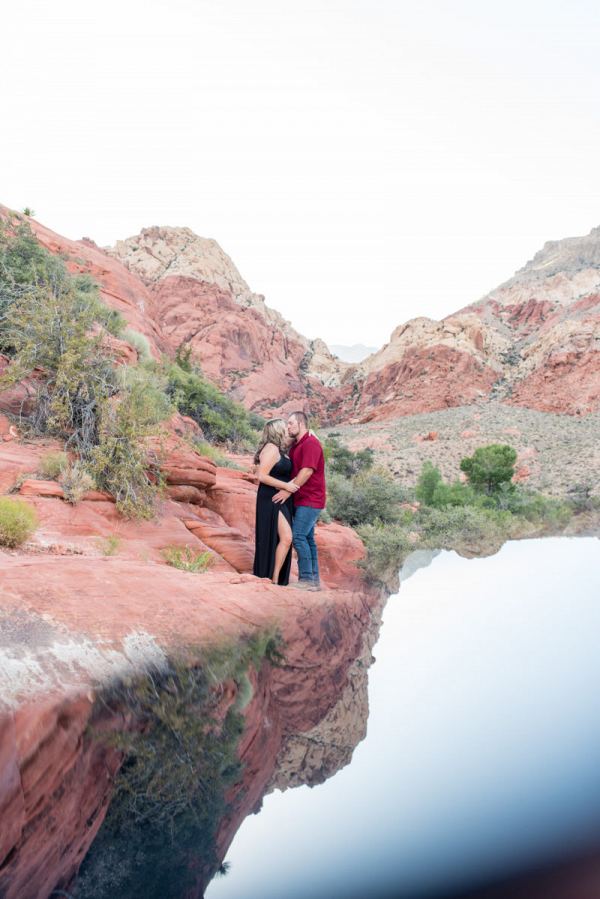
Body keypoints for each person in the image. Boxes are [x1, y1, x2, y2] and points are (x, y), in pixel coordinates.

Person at [273, 410, 325, 591]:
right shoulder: (298, 443)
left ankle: (306, 580)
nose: (287, 427)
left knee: (298, 536)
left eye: (290, 424)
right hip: (302, 498)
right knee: (308, 539)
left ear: (301, 424)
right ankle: (314, 581)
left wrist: (288, 490)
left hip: (310, 498)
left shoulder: (311, 443)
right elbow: (282, 444)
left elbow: (307, 471)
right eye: (287, 424)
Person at [253, 418, 299, 585]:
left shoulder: (279, 448)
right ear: (277, 431)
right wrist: (287, 486)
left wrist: (310, 434)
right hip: (272, 497)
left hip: (281, 497)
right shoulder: (271, 449)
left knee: (283, 538)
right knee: (287, 537)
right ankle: (273, 580)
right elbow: (261, 476)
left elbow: (295, 438)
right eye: (284, 426)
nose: (287, 428)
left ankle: (276, 579)